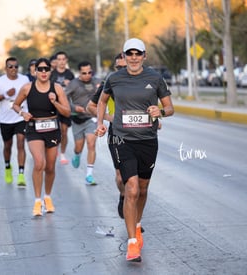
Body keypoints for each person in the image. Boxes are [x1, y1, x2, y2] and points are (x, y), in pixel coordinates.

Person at [95, 38, 174, 262]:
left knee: (143, 188)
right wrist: (100, 123)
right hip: (122, 139)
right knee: (131, 189)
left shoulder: (155, 78)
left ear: (144, 56)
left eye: (137, 53)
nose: (133, 57)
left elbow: (170, 108)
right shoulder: (114, 78)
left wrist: (160, 111)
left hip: (148, 139)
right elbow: (101, 101)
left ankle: (137, 225)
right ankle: (132, 244)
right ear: (124, 55)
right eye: (129, 53)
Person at [13, 58, 70, 216]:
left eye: (46, 69)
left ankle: (47, 197)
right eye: (40, 69)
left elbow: (67, 112)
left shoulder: (56, 88)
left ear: (50, 71)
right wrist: (22, 113)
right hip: (34, 128)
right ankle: (37, 201)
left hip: (52, 128)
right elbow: (15, 104)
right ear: (35, 71)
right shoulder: (27, 88)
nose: (43, 72)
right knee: (39, 163)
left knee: (50, 167)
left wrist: (55, 102)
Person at [86, 53, 126, 216]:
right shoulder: (110, 82)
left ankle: (135, 218)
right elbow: (91, 106)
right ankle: (123, 196)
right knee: (120, 177)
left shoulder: (143, 81)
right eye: (119, 67)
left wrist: (155, 119)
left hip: (140, 134)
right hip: (117, 134)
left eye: (125, 66)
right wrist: (109, 118)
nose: (122, 70)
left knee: (139, 181)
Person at [0, 57, 29, 187]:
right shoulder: (0, 81)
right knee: (8, 145)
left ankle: (21, 174)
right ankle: (7, 167)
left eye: (16, 66)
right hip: (6, 120)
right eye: (10, 66)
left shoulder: (24, 80)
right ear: (6, 68)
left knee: (20, 143)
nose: (13, 69)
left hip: (20, 117)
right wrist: (6, 95)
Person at [66, 61, 101, 185]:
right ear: (79, 73)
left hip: (91, 118)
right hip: (77, 119)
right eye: (84, 73)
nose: (87, 75)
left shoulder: (97, 82)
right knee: (78, 146)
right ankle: (77, 155)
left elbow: (106, 96)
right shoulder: (73, 84)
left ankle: (89, 175)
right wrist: (74, 107)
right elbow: (64, 98)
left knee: (91, 144)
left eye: (89, 72)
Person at [50, 51, 74, 165]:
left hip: (65, 106)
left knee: (64, 132)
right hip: (53, 106)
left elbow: (75, 91)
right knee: (56, 131)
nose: (61, 61)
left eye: (63, 59)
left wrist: (69, 85)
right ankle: (54, 149)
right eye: (59, 59)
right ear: (56, 61)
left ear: (66, 60)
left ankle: (62, 154)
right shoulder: (52, 74)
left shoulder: (70, 74)